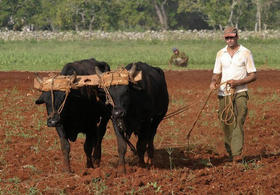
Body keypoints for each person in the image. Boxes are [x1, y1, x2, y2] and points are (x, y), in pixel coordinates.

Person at [209, 26, 257, 163]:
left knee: (239, 119)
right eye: (227, 38)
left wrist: (238, 82)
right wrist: (213, 82)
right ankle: (231, 152)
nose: (230, 40)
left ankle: (237, 154)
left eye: (232, 37)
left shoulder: (246, 52)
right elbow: (216, 73)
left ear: (237, 37)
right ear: (224, 38)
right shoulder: (220, 54)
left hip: (240, 91)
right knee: (226, 122)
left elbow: (253, 75)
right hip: (224, 93)